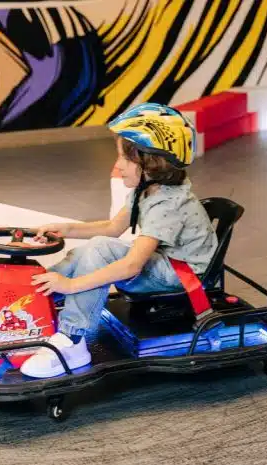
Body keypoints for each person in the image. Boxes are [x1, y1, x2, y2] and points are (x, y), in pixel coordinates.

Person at [19, 102, 219, 379]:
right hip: (168, 261)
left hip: (182, 274)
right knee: (89, 250)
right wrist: (66, 229)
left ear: (151, 162)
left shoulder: (167, 204)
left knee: (101, 250)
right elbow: (112, 228)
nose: (117, 165)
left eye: (125, 159)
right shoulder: (147, 189)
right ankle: (37, 296)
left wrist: (72, 284)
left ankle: (73, 342)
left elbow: (131, 266)